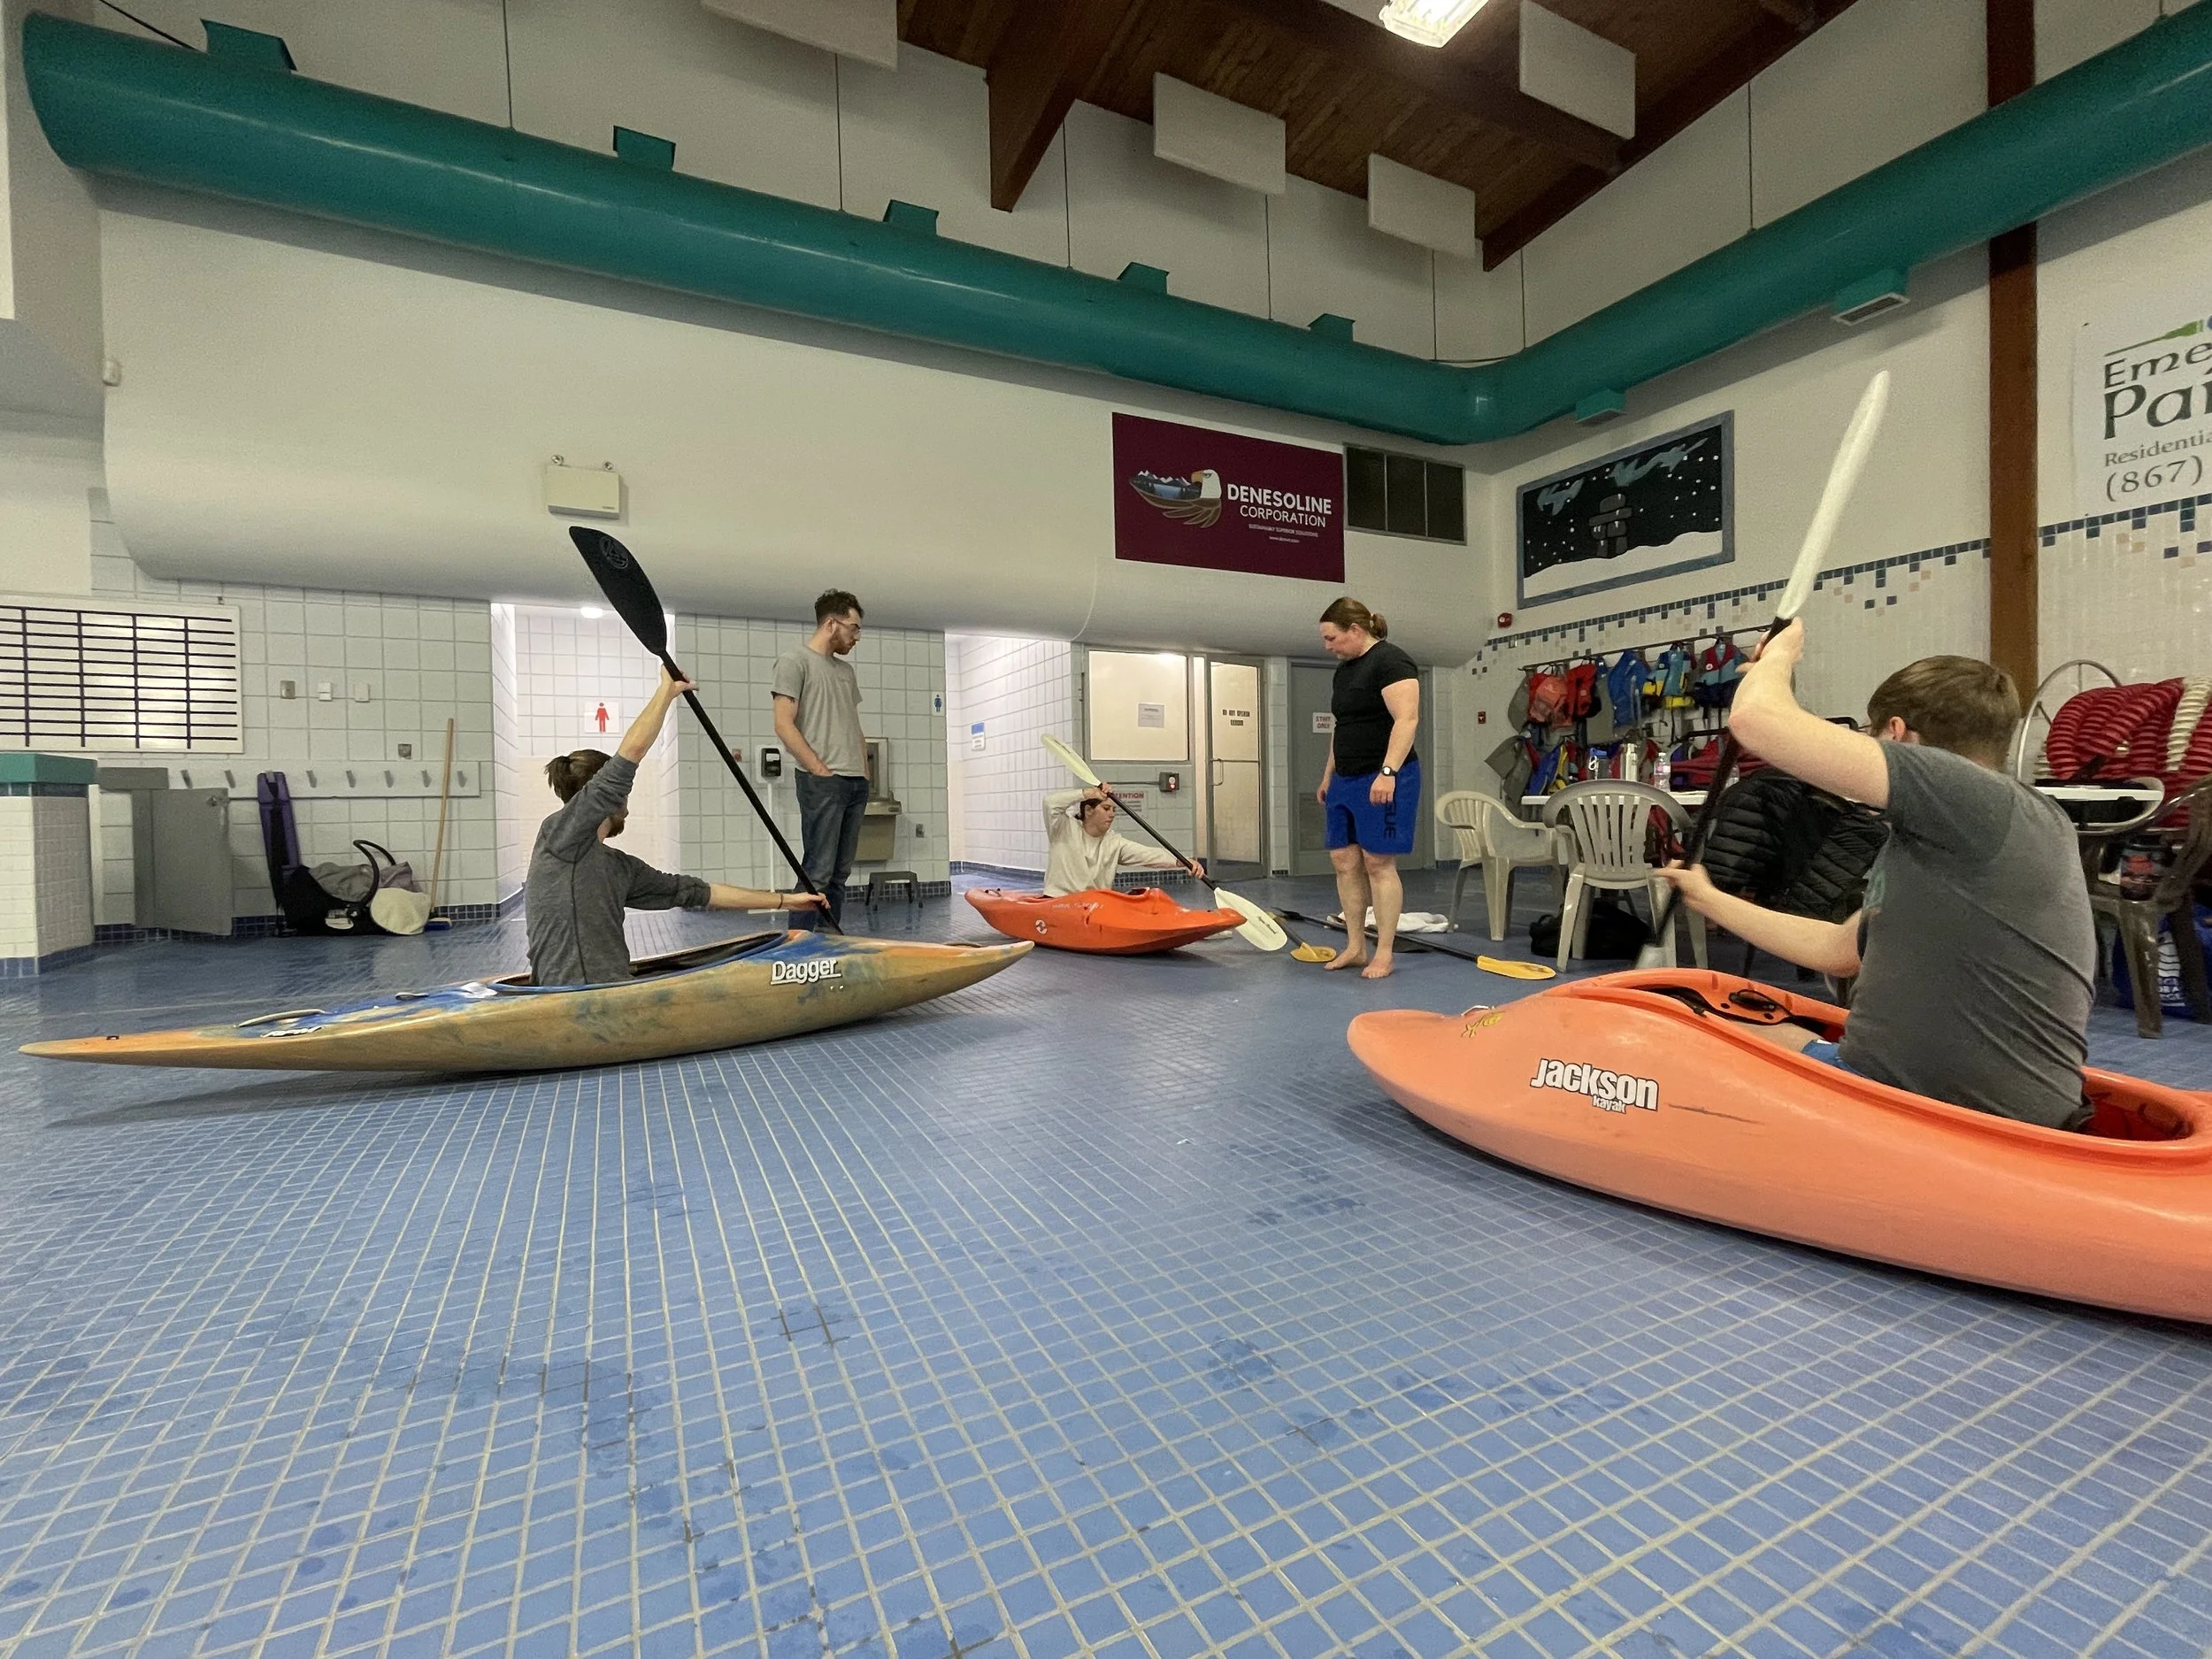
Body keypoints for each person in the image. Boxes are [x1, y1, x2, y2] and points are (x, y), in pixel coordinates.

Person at [1656, 622, 2096, 1130]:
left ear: (1896, 733)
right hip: (1914, 1087)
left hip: (1932, 1109)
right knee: (1696, 1014)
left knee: (1662, 1035)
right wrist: (1709, 898)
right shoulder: (1955, 834)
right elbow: (1840, 951)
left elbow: (1755, 720)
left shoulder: (1975, 797)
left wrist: (1780, 658)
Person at [528, 667, 821, 984]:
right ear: (614, 797)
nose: (627, 804)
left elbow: (699, 893)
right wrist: (667, 692)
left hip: (614, 987)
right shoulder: (558, 837)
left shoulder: (619, 868)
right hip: (572, 999)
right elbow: (630, 757)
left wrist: (788, 900)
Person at [1315, 596, 1422, 979]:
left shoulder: (1392, 661)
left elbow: (1406, 720)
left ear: (1356, 631)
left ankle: (1385, 952)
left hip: (1387, 777)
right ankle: (1356, 946)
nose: (1328, 646)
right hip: (1345, 779)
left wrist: (1388, 772)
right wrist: (1329, 774)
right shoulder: (1344, 671)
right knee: (1343, 861)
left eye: (1332, 638)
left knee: (1378, 862)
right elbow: (1341, 727)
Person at [772, 589, 869, 929]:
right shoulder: (794, 661)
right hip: (823, 782)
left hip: (855, 782)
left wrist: (865, 772)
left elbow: (853, 725)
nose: (856, 637)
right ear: (831, 623)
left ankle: (830, 943)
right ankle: (797, 947)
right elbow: (783, 724)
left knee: (840, 874)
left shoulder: (845, 672)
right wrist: (818, 769)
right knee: (818, 872)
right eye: (853, 628)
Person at [1043, 785, 1202, 898]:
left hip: (1094, 906)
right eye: (1106, 809)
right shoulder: (1063, 828)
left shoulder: (1113, 842)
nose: (1112, 815)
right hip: (1059, 901)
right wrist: (1088, 793)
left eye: (1114, 810)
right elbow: (1050, 803)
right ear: (1088, 811)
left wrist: (1183, 861)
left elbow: (1147, 854)